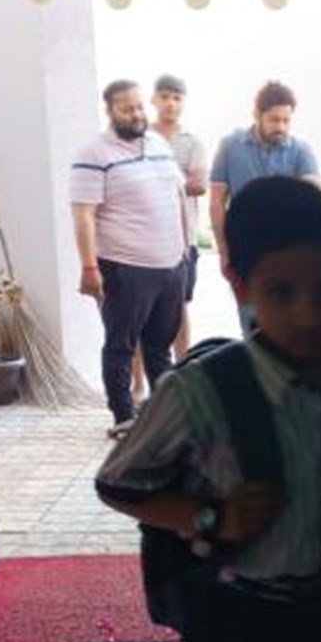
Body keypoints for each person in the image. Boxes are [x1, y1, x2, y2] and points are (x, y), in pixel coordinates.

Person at [94, 176, 321, 642]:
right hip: (237, 627)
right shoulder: (198, 392)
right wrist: (211, 517)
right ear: (239, 284)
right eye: (281, 292)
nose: (309, 314)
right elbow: (116, 484)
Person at [71, 79, 188, 437]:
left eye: (138, 107)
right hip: (124, 267)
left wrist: (185, 251)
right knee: (121, 345)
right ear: (110, 111)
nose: (136, 114)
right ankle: (124, 416)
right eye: (126, 109)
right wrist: (89, 266)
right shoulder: (94, 154)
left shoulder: (159, 144)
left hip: (171, 265)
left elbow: (177, 196)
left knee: (160, 346)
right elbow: (83, 214)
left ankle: (164, 415)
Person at [209, 81, 321, 334]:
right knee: (253, 329)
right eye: (274, 119)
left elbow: (313, 201)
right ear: (257, 115)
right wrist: (224, 251)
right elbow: (216, 202)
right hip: (245, 255)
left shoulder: (301, 150)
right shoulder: (230, 146)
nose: (280, 127)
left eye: (286, 120)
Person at [152, 74, 210, 363]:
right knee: (142, 311)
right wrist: (179, 176)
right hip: (143, 241)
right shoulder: (139, 138)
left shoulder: (192, 142)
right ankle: (139, 382)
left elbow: (199, 185)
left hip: (183, 241)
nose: (171, 103)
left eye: (177, 98)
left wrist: (153, 178)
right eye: (165, 96)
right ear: (154, 100)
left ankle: (183, 368)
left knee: (179, 307)